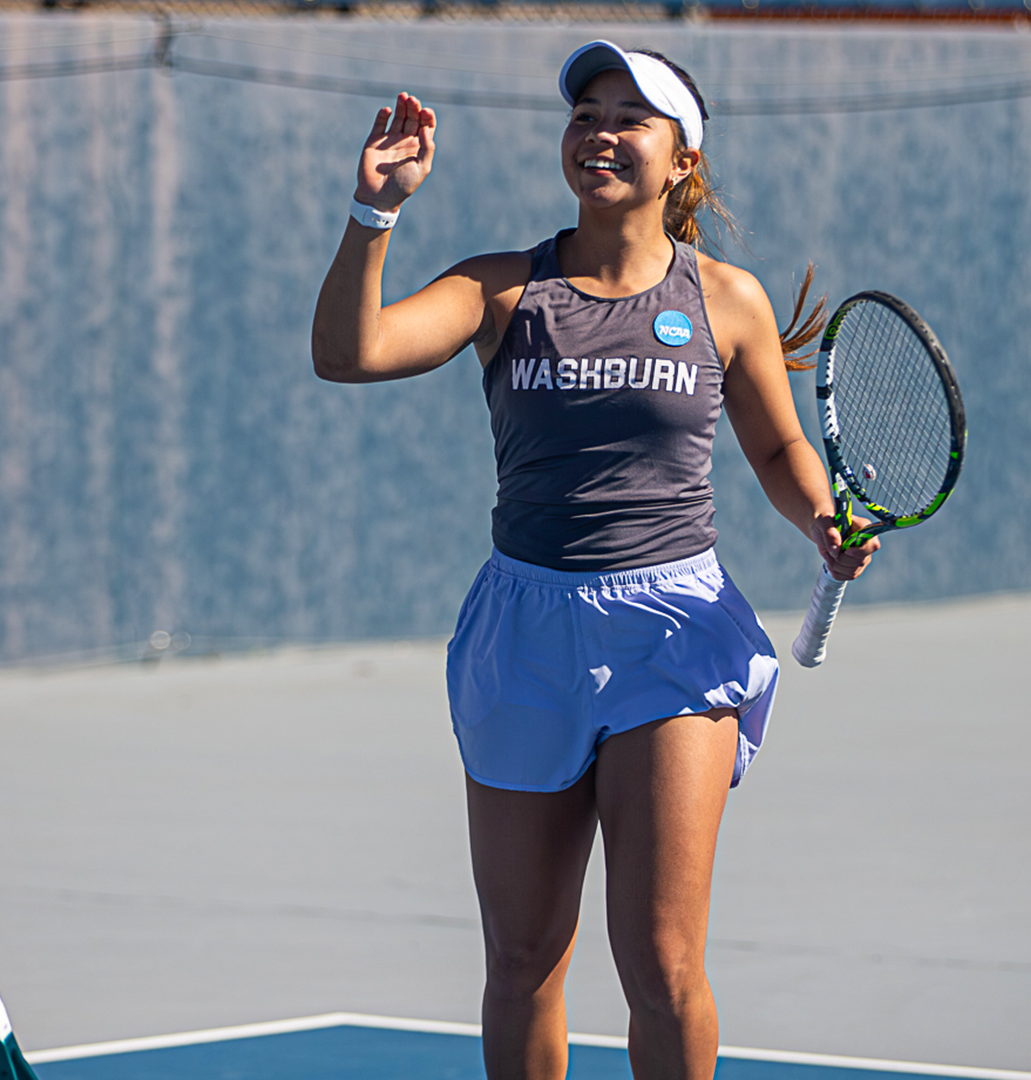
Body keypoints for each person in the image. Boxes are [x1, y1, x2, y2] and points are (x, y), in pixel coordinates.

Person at [312, 39, 880, 1080]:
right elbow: (349, 355)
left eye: (630, 117)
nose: (599, 133)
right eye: (585, 114)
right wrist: (374, 213)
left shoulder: (729, 300)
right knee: (523, 958)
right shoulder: (501, 290)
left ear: (682, 161)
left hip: (675, 633)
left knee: (661, 965)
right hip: (525, 633)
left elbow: (779, 447)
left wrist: (820, 518)